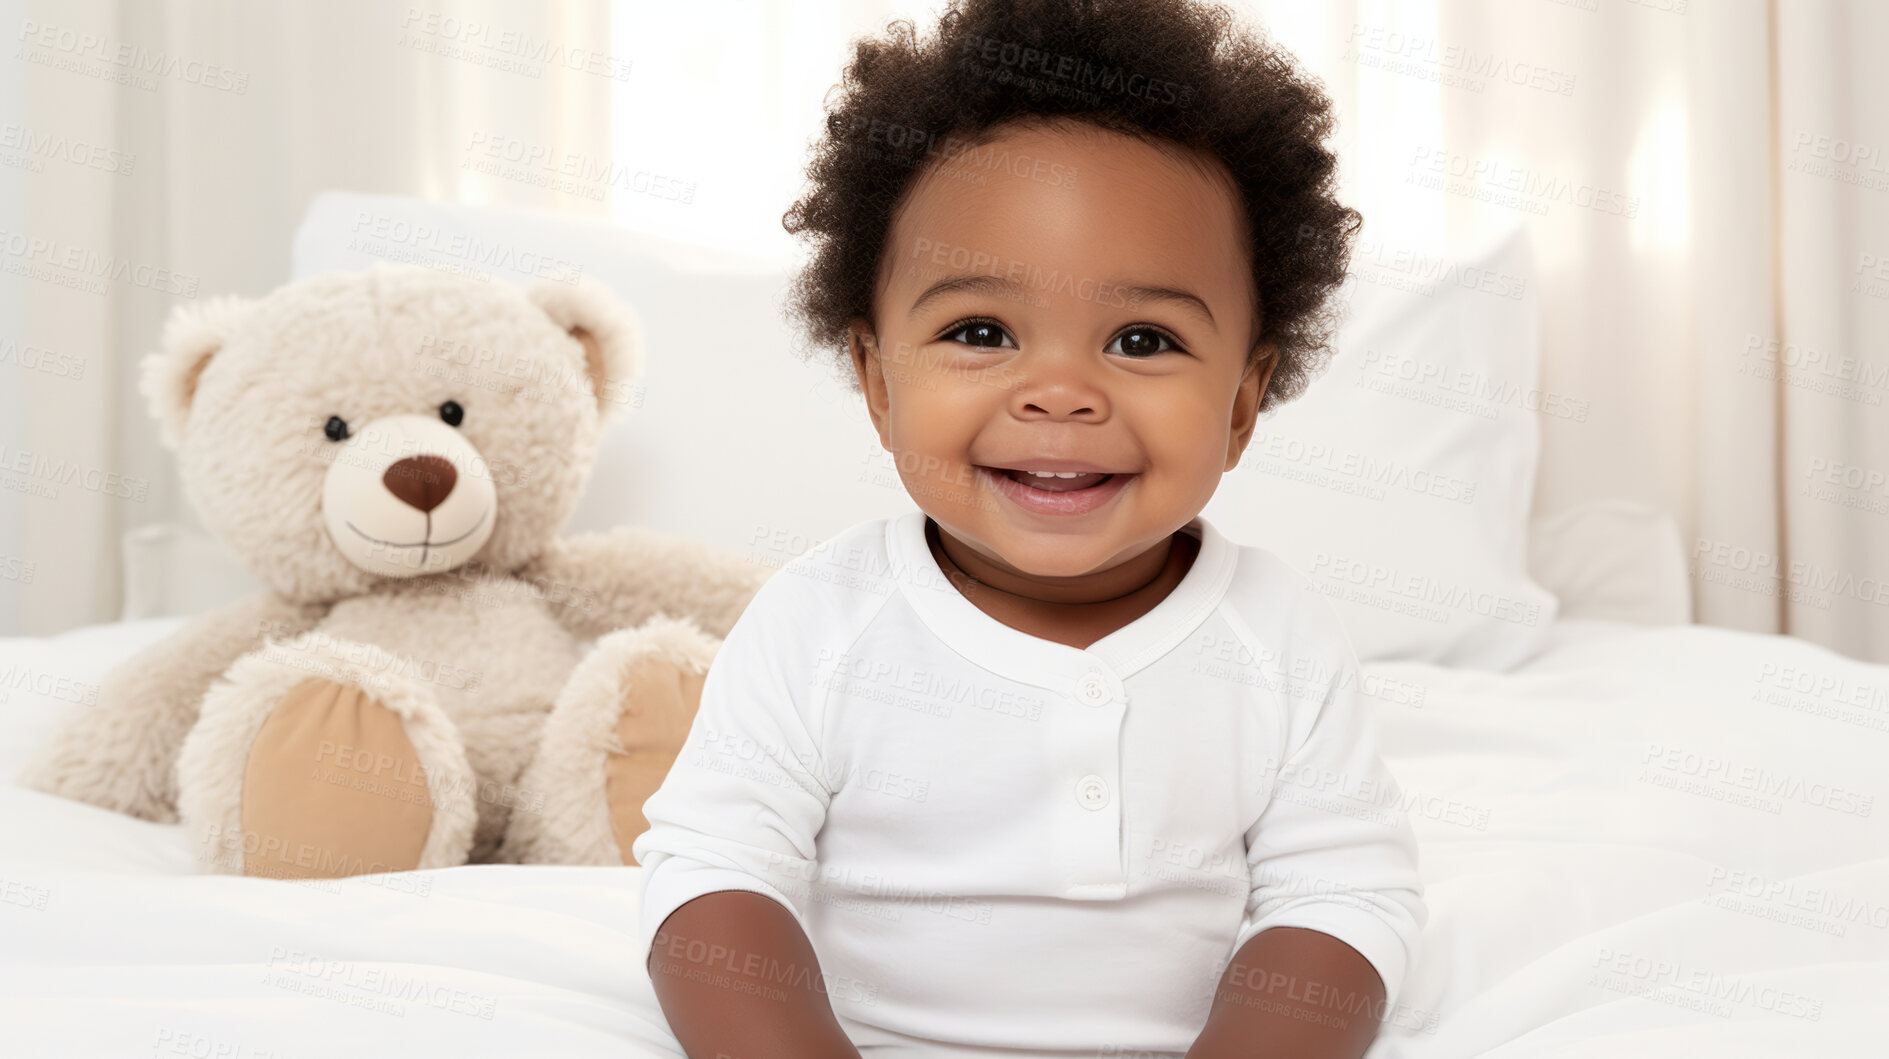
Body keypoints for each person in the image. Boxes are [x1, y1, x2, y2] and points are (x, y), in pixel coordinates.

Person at [631, 0, 1426, 1055]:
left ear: (1242, 401)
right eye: (980, 331)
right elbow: (713, 879)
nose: (1060, 393)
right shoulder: (819, 624)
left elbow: (1339, 899)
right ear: (874, 381)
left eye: (1142, 339)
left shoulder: (1276, 638)